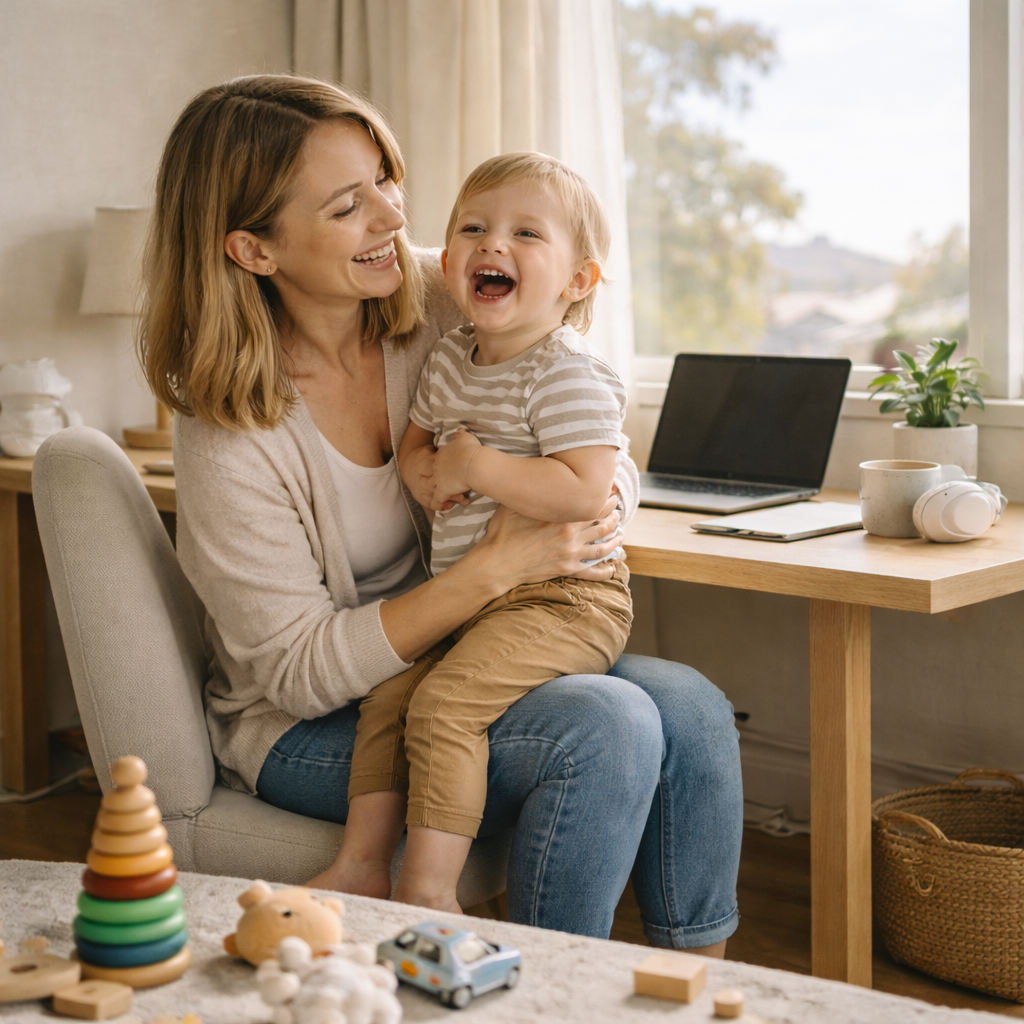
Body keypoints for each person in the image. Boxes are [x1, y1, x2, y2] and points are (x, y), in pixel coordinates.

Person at [140, 73, 742, 953]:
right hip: (310, 721)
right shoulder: (230, 428)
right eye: (349, 205)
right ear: (253, 250)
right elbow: (299, 672)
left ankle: (692, 984)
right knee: (605, 725)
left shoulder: (438, 297)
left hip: (466, 640)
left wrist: (605, 499)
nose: (392, 219)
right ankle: (545, 996)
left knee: (687, 705)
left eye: (387, 181)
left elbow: (573, 399)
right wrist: (496, 567)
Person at [336, 152, 633, 912]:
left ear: (577, 282)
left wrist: (476, 462)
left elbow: (584, 489)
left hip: (563, 600)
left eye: (526, 234)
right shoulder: (449, 358)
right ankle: (360, 864)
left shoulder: (565, 372)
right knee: (388, 699)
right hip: (471, 595)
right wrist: (422, 473)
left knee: (445, 708)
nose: (492, 244)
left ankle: (429, 891)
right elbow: (417, 442)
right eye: (473, 228)